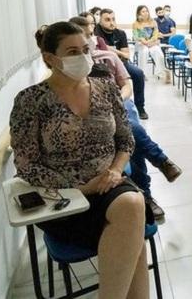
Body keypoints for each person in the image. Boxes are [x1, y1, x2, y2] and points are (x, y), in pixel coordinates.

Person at [11, 22, 150, 298]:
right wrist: (82, 188)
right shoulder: (31, 101)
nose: (83, 57)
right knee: (133, 229)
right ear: (50, 58)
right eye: (72, 51)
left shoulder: (105, 89)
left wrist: (114, 170)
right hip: (65, 198)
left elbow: (126, 140)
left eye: (85, 49)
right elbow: (26, 164)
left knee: (132, 204)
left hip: (111, 185)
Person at [70, 16, 182, 219]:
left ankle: (146, 194)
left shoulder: (108, 57)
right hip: (96, 115)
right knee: (132, 133)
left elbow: (127, 83)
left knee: (130, 130)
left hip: (120, 101)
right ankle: (158, 166)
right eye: (85, 36)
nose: (90, 39)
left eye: (90, 34)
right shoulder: (71, 69)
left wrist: (117, 100)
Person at [95, 8, 148, 120]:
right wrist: (116, 52)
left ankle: (140, 107)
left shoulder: (120, 33)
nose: (111, 22)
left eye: (113, 19)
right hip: (102, 65)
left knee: (138, 73)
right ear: (100, 21)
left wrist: (111, 50)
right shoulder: (96, 34)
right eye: (107, 19)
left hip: (121, 63)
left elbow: (126, 55)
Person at [132, 5, 171, 83]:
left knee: (158, 52)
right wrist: (145, 42)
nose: (145, 13)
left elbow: (155, 34)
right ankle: (141, 74)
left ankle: (163, 73)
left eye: (146, 11)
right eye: (143, 11)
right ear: (139, 13)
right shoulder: (136, 23)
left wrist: (151, 42)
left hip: (152, 42)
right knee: (144, 51)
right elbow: (136, 36)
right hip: (141, 43)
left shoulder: (153, 22)